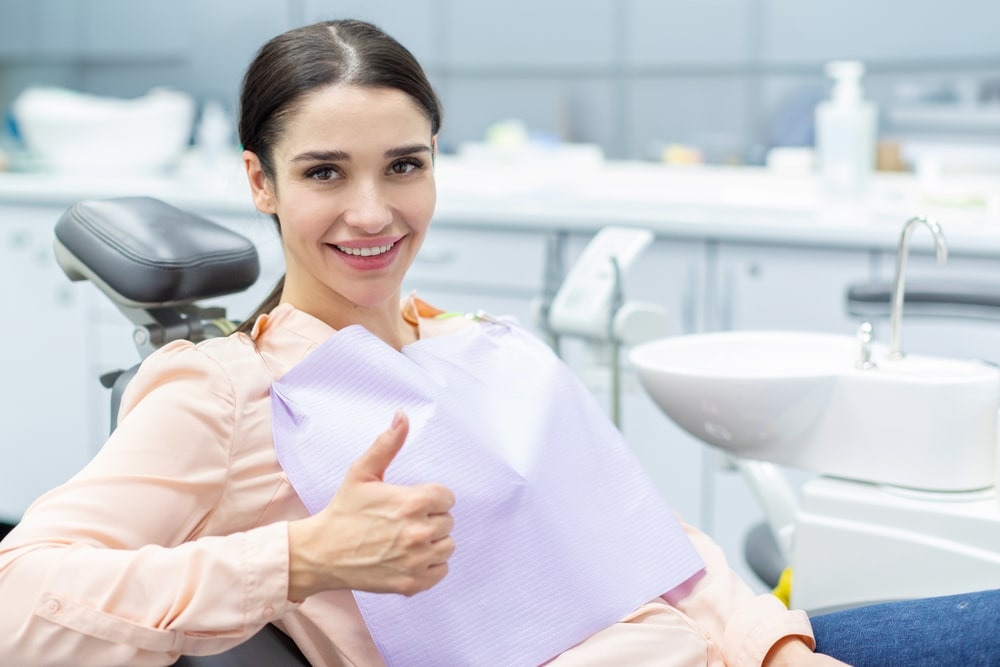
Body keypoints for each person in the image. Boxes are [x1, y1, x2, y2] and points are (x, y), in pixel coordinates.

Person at [0, 17, 950, 667]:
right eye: (324, 172)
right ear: (261, 182)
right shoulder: (227, 391)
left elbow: (647, 541)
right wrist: (301, 558)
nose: (372, 212)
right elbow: (21, 603)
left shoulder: (478, 346)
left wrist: (773, 647)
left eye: (403, 166)